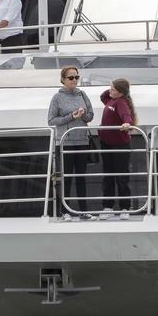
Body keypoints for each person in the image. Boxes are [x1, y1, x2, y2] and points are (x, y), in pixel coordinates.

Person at [47, 66, 94, 217]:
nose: (74, 80)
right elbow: (51, 120)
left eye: (76, 77)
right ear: (63, 80)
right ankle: (64, 211)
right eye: (71, 78)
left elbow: (90, 116)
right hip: (65, 143)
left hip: (82, 141)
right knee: (66, 178)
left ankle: (83, 211)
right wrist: (71, 117)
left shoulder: (82, 94)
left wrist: (83, 114)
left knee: (81, 178)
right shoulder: (57, 97)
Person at [99, 78, 136, 216]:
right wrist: (112, 87)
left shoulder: (121, 102)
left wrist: (127, 123)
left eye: (113, 89)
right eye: (110, 88)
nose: (110, 91)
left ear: (121, 93)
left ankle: (125, 207)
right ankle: (108, 207)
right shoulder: (110, 100)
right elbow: (103, 96)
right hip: (106, 144)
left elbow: (126, 115)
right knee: (108, 176)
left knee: (121, 176)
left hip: (119, 145)